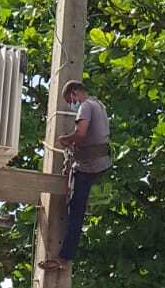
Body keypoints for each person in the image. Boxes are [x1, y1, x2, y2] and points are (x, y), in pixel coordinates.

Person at [38, 80, 111, 269]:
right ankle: (65, 255)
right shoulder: (99, 105)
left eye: (70, 100)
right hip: (101, 163)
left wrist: (65, 139)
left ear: (75, 93)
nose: (71, 104)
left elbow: (80, 134)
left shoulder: (85, 106)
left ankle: (63, 258)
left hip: (89, 166)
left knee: (75, 211)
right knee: (77, 206)